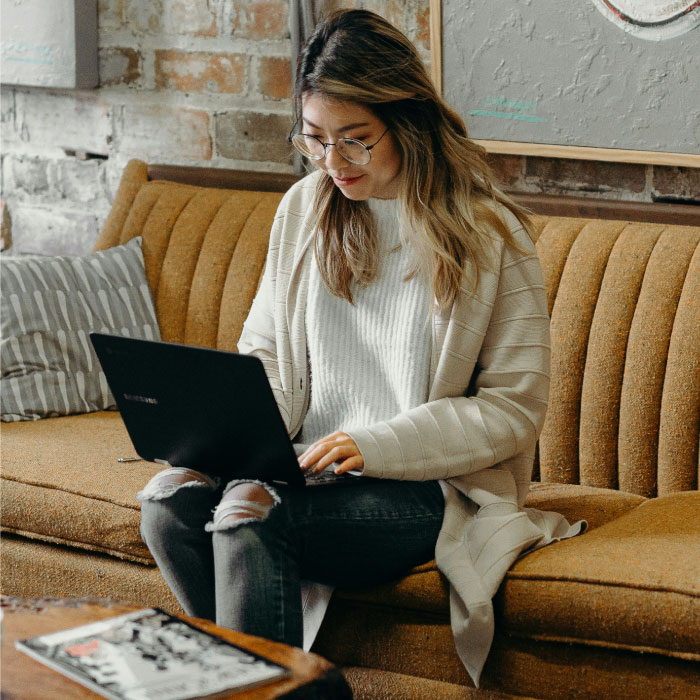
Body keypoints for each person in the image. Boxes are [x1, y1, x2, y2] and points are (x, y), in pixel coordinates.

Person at [138, 9, 583, 687]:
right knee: (168, 503)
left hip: (427, 486)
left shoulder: (489, 233)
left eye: (356, 141)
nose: (333, 163)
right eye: (316, 140)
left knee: (250, 516)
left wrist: (377, 445)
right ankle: (296, 687)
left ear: (406, 122)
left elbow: (513, 408)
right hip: (302, 468)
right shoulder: (303, 208)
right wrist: (224, 431)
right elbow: (265, 354)